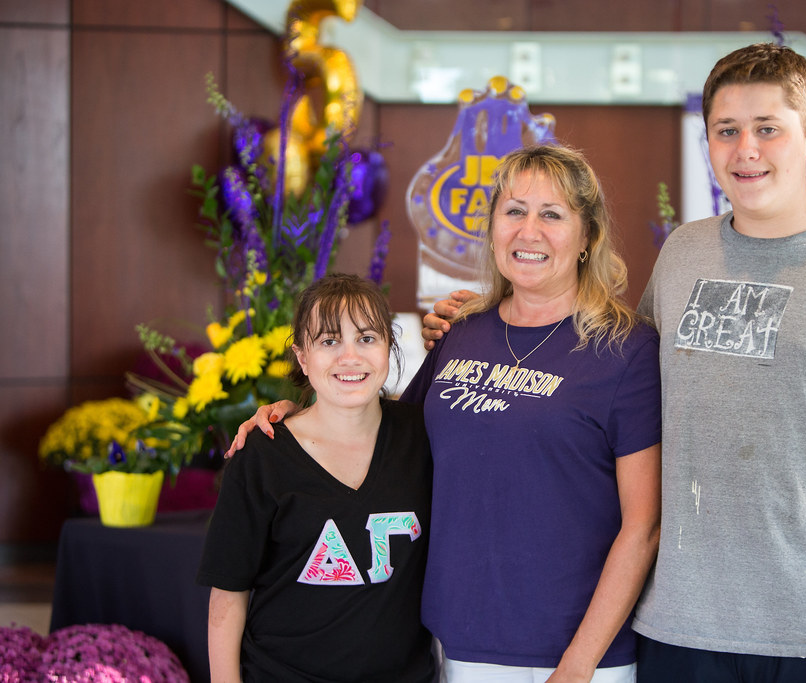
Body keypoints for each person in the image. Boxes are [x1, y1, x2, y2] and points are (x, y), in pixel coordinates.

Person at [424, 44, 806, 683]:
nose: (746, 149)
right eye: (727, 130)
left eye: (768, 128)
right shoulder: (684, 254)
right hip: (676, 629)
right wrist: (483, 323)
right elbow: (603, 369)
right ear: (707, 142)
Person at [230, 144, 662, 682]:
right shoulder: (461, 332)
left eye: (552, 215)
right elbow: (389, 433)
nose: (529, 231)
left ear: (587, 236)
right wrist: (300, 416)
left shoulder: (625, 349)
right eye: (514, 211)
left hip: (580, 654)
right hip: (461, 641)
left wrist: (577, 667)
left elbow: (643, 527)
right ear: (493, 228)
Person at [198, 273, 435, 683]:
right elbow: (228, 593)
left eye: (367, 338)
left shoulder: (425, 436)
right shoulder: (263, 455)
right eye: (329, 341)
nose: (350, 357)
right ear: (303, 357)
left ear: (389, 347)